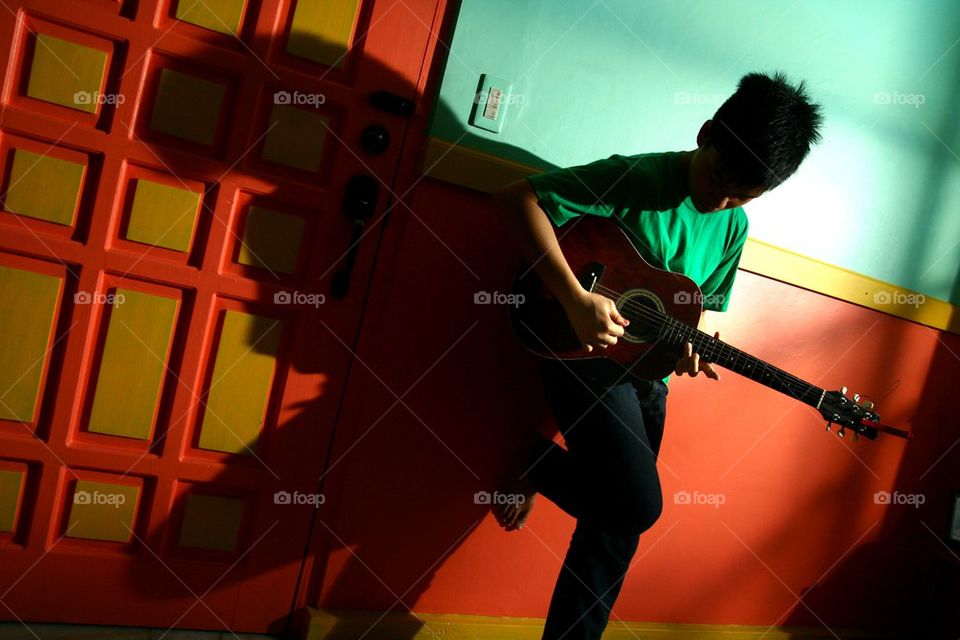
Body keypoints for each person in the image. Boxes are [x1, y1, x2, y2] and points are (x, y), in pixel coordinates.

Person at [490, 71, 823, 640]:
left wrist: (686, 349)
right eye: (720, 178)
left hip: (643, 375)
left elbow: (688, 313)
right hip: (580, 356)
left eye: (742, 195)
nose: (721, 201)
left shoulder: (733, 227)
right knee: (638, 506)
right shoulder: (638, 177)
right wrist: (574, 298)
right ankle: (540, 463)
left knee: (615, 530)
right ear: (706, 133)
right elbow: (517, 198)